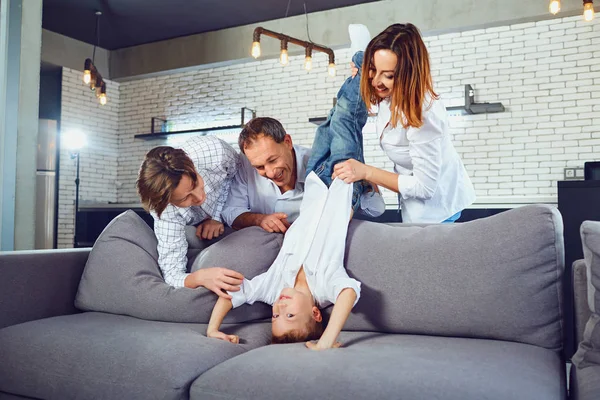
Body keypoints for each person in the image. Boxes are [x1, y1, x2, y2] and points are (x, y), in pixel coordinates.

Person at [206, 47, 370, 350]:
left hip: (316, 182)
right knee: (346, 117)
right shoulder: (327, 285)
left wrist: (213, 329)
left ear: (287, 143)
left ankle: (360, 70)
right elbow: (349, 294)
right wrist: (326, 341)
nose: (279, 308)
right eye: (289, 314)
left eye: (275, 316)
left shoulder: (273, 286)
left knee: (333, 119)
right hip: (344, 185)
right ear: (316, 312)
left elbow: (232, 294)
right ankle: (364, 62)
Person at [333, 23, 476, 223]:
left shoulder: (424, 114)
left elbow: (424, 188)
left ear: (407, 75)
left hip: (437, 211)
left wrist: (366, 172)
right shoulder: (385, 92)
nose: (376, 81)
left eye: (389, 75)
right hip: (412, 208)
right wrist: (361, 65)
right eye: (374, 69)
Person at [221, 117, 385, 233]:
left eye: (273, 160)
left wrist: (364, 175)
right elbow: (231, 212)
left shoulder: (321, 165)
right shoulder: (245, 166)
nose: (270, 172)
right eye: (260, 167)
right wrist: (260, 220)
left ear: (287, 142)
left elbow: (375, 210)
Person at [136, 135, 244, 294]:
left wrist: (216, 216)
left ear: (192, 167)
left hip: (240, 207)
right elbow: (172, 273)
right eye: (185, 198)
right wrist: (199, 278)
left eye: (195, 183)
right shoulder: (165, 211)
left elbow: (242, 177)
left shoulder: (214, 151)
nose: (199, 197)